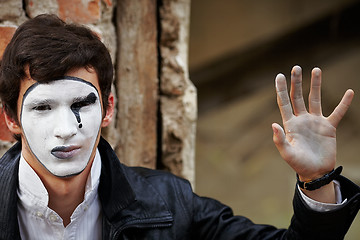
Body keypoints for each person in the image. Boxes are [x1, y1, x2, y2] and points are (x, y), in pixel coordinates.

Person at [0, 14, 359, 240]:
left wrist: (318, 182)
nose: (65, 129)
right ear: (11, 119)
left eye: (81, 104)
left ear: (108, 109)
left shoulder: (170, 204)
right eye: (43, 107)